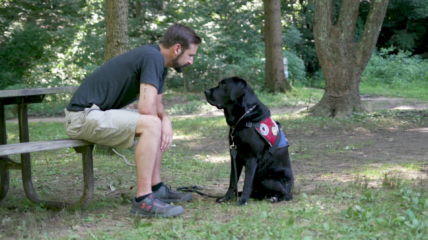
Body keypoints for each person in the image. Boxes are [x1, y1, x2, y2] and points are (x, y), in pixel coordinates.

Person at [64, 23, 201, 218]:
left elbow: (157, 105)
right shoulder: (152, 57)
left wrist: (167, 120)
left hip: (92, 115)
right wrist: (159, 122)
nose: (191, 61)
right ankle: (143, 200)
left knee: (157, 122)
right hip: (81, 117)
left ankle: (157, 188)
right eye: (191, 55)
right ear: (177, 48)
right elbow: (146, 108)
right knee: (152, 123)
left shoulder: (160, 63)